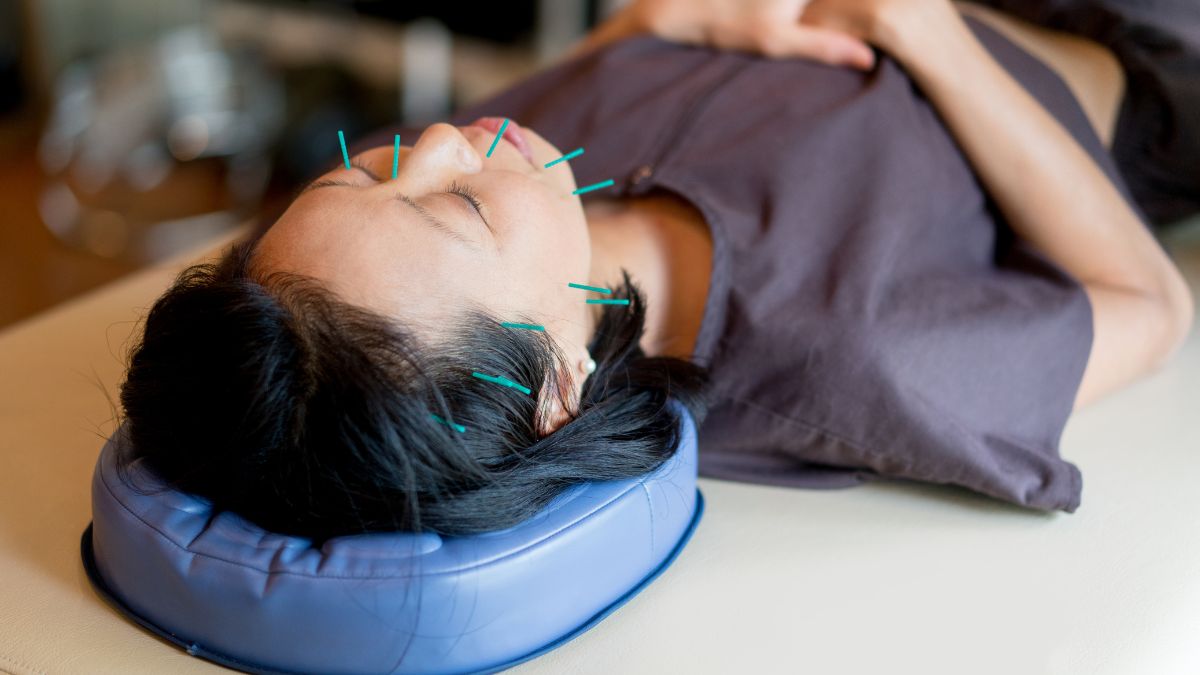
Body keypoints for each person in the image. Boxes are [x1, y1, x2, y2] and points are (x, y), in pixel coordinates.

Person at [115, 0, 1195, 542]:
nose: (446, 140)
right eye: (456, 202)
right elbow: (1150, 306)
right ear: (550, 386)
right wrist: (932, 33)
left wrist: (652, 22)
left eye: (369, 170)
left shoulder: (473, 218)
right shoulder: (855, 362)